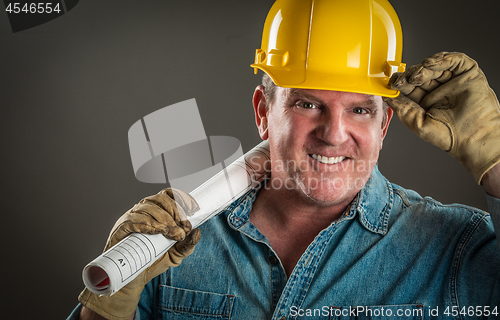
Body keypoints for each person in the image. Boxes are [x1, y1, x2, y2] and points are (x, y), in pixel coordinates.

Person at [68, 0, 500, 319]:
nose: (333, 134)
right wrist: (107, 306)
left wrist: (497, 161)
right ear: (263, 113)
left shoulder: (456, 249)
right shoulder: (173, 246)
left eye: (360, 110)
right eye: (308, 104)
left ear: (383, 126)